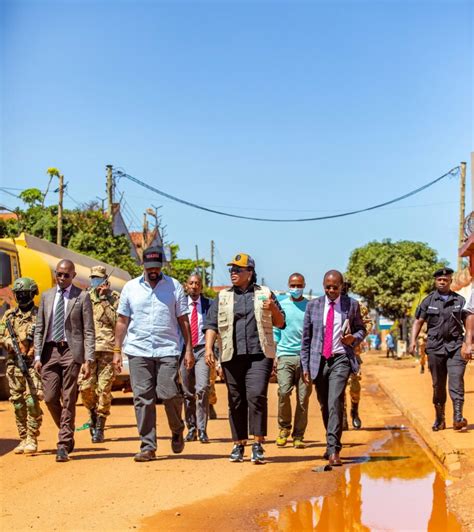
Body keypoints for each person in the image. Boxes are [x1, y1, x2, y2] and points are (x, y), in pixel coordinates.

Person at [113, 246, 194, 462]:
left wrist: (188, 349)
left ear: (162, 266)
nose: (153, 271)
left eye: (157, 267)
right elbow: (122, 321)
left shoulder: (174, 286)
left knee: (168, 393)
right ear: (143, 266)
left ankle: (177, 428)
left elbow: (183, 319)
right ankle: (148, 445)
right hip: (138, 350)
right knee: (142, 398)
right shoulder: (130, 288)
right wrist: (116, 350)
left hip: (167, 349)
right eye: (150, 267)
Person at [204, 253, 285, 464]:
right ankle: (239, 443)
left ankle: (258, 444)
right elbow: (211, 324)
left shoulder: (265, 293)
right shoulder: (223, 297)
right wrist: (208, 349)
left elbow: (280, 323)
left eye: (238, 270)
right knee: (236, 400)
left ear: (250, 273)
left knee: (256, 395)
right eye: (232, 269)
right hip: (232, 355)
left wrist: (273, 308)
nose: (233, 273)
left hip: (260, 355)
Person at [301, 270, 366, 467]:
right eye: (328, 287)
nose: (331, 290)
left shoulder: (351, 305)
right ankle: (330, 444)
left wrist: (353, 338)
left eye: (335, 287)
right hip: (319, 361)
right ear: (323, 286)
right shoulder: (313, 306)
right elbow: (306, 339)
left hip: (341, 359)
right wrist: (305, 366)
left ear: (341, 286)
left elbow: (361, 329)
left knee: (335, 401)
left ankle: (334, 449)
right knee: (324, 404)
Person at [34, 260, 95, 462]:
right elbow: (40, 328)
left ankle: (63, 444)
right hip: (49, 352)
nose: (61, 278)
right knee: (50, 398)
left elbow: (88, 331)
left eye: (66, 275)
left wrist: (88, 359)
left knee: (69, 398)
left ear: (73, 275)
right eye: (59, 274)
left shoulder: (82, 297)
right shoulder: (47, 296)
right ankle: (66, 431)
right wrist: (36, 356)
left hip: (71, 352)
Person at [410, 268, 468, 431]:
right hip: (435, 348)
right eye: (439, 279)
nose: (442, 282)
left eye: (445, 279)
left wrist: (468, 343)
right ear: (435, 281)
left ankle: (458, 417)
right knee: (438, 385)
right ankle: (439, 419)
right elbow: (418, 322)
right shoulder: (428, 301)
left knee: (457, 382)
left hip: (456, 346)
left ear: (450, 280)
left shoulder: (460, 301)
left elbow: (469, 323)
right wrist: (412, 341)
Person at [0, 278, 43, 454]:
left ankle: (32, 437)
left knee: (32, 401)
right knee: (17, 403)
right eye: (18, 294)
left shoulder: (40, 315)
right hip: (14, 365)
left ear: (33, 294)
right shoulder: (9, 316)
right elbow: (1, 335)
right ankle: (23, 437)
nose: (21, 297)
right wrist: (9, 341)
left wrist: (34, 350)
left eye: (25, 293)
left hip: (33, 365)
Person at [79, 266, 120, 443]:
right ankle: (92, 416)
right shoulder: (84, 298)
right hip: (88, 351)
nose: (95, 281)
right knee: (86, 388)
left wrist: (104, 300)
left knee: (104, 390)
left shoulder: (114, 298)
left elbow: (117, 322)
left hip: (107, 350)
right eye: (93, 278)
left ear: (105, 281)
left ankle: (100, 426)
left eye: (98, 278)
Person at [274, 272, 311, 449]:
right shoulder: (282, 305)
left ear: (304, 285)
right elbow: (276, 331)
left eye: (299, 285)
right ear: (288, 285)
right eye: (293, 285)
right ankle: (283, 428)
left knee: (303, 399)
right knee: (283, 392)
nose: (295, 288)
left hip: (306, 358)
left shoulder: (310, 307)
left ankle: (298, 435)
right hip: (285, 355)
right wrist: (275, 355)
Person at [181, 273, 212, 443]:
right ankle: (191, 428)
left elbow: (214, 329)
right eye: (191, 283)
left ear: (201, 286)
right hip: (184, 351)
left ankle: (202, 429)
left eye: (197, 283)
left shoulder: (209, 305)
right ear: (186, 285)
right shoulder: (179, 305)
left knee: (202, 388)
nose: (194, 286)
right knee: (187, 392)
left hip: (202, 351)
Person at [340, 281, 373, 431]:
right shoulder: (328, 306)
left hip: (353, 352)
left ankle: (355, 411)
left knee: (354, 386)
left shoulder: (357, 305)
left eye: (344, 287)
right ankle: (343, 418)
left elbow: (367, 324)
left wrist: (355, 338)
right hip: (336, 352)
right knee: (339, 387)